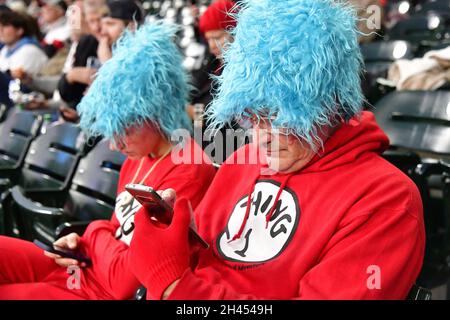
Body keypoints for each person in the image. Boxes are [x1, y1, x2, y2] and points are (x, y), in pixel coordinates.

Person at [128, 0, 425, 300]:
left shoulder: (387, 200)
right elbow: (207, 264)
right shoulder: (244, 159)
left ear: (327, 104)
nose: (259, 139)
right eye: (250, 117)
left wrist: (175, 288)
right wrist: (181, 243)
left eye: (274, 117)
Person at [0, 22, 216, 300]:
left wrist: (93, 230)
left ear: (156, 113)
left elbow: (125, 281)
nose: (114, 144)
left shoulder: (190, 169)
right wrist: (82, 241)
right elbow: (117, 235)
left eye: (124, 130)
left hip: (98, 290)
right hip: (84, 267)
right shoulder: (137, 157)